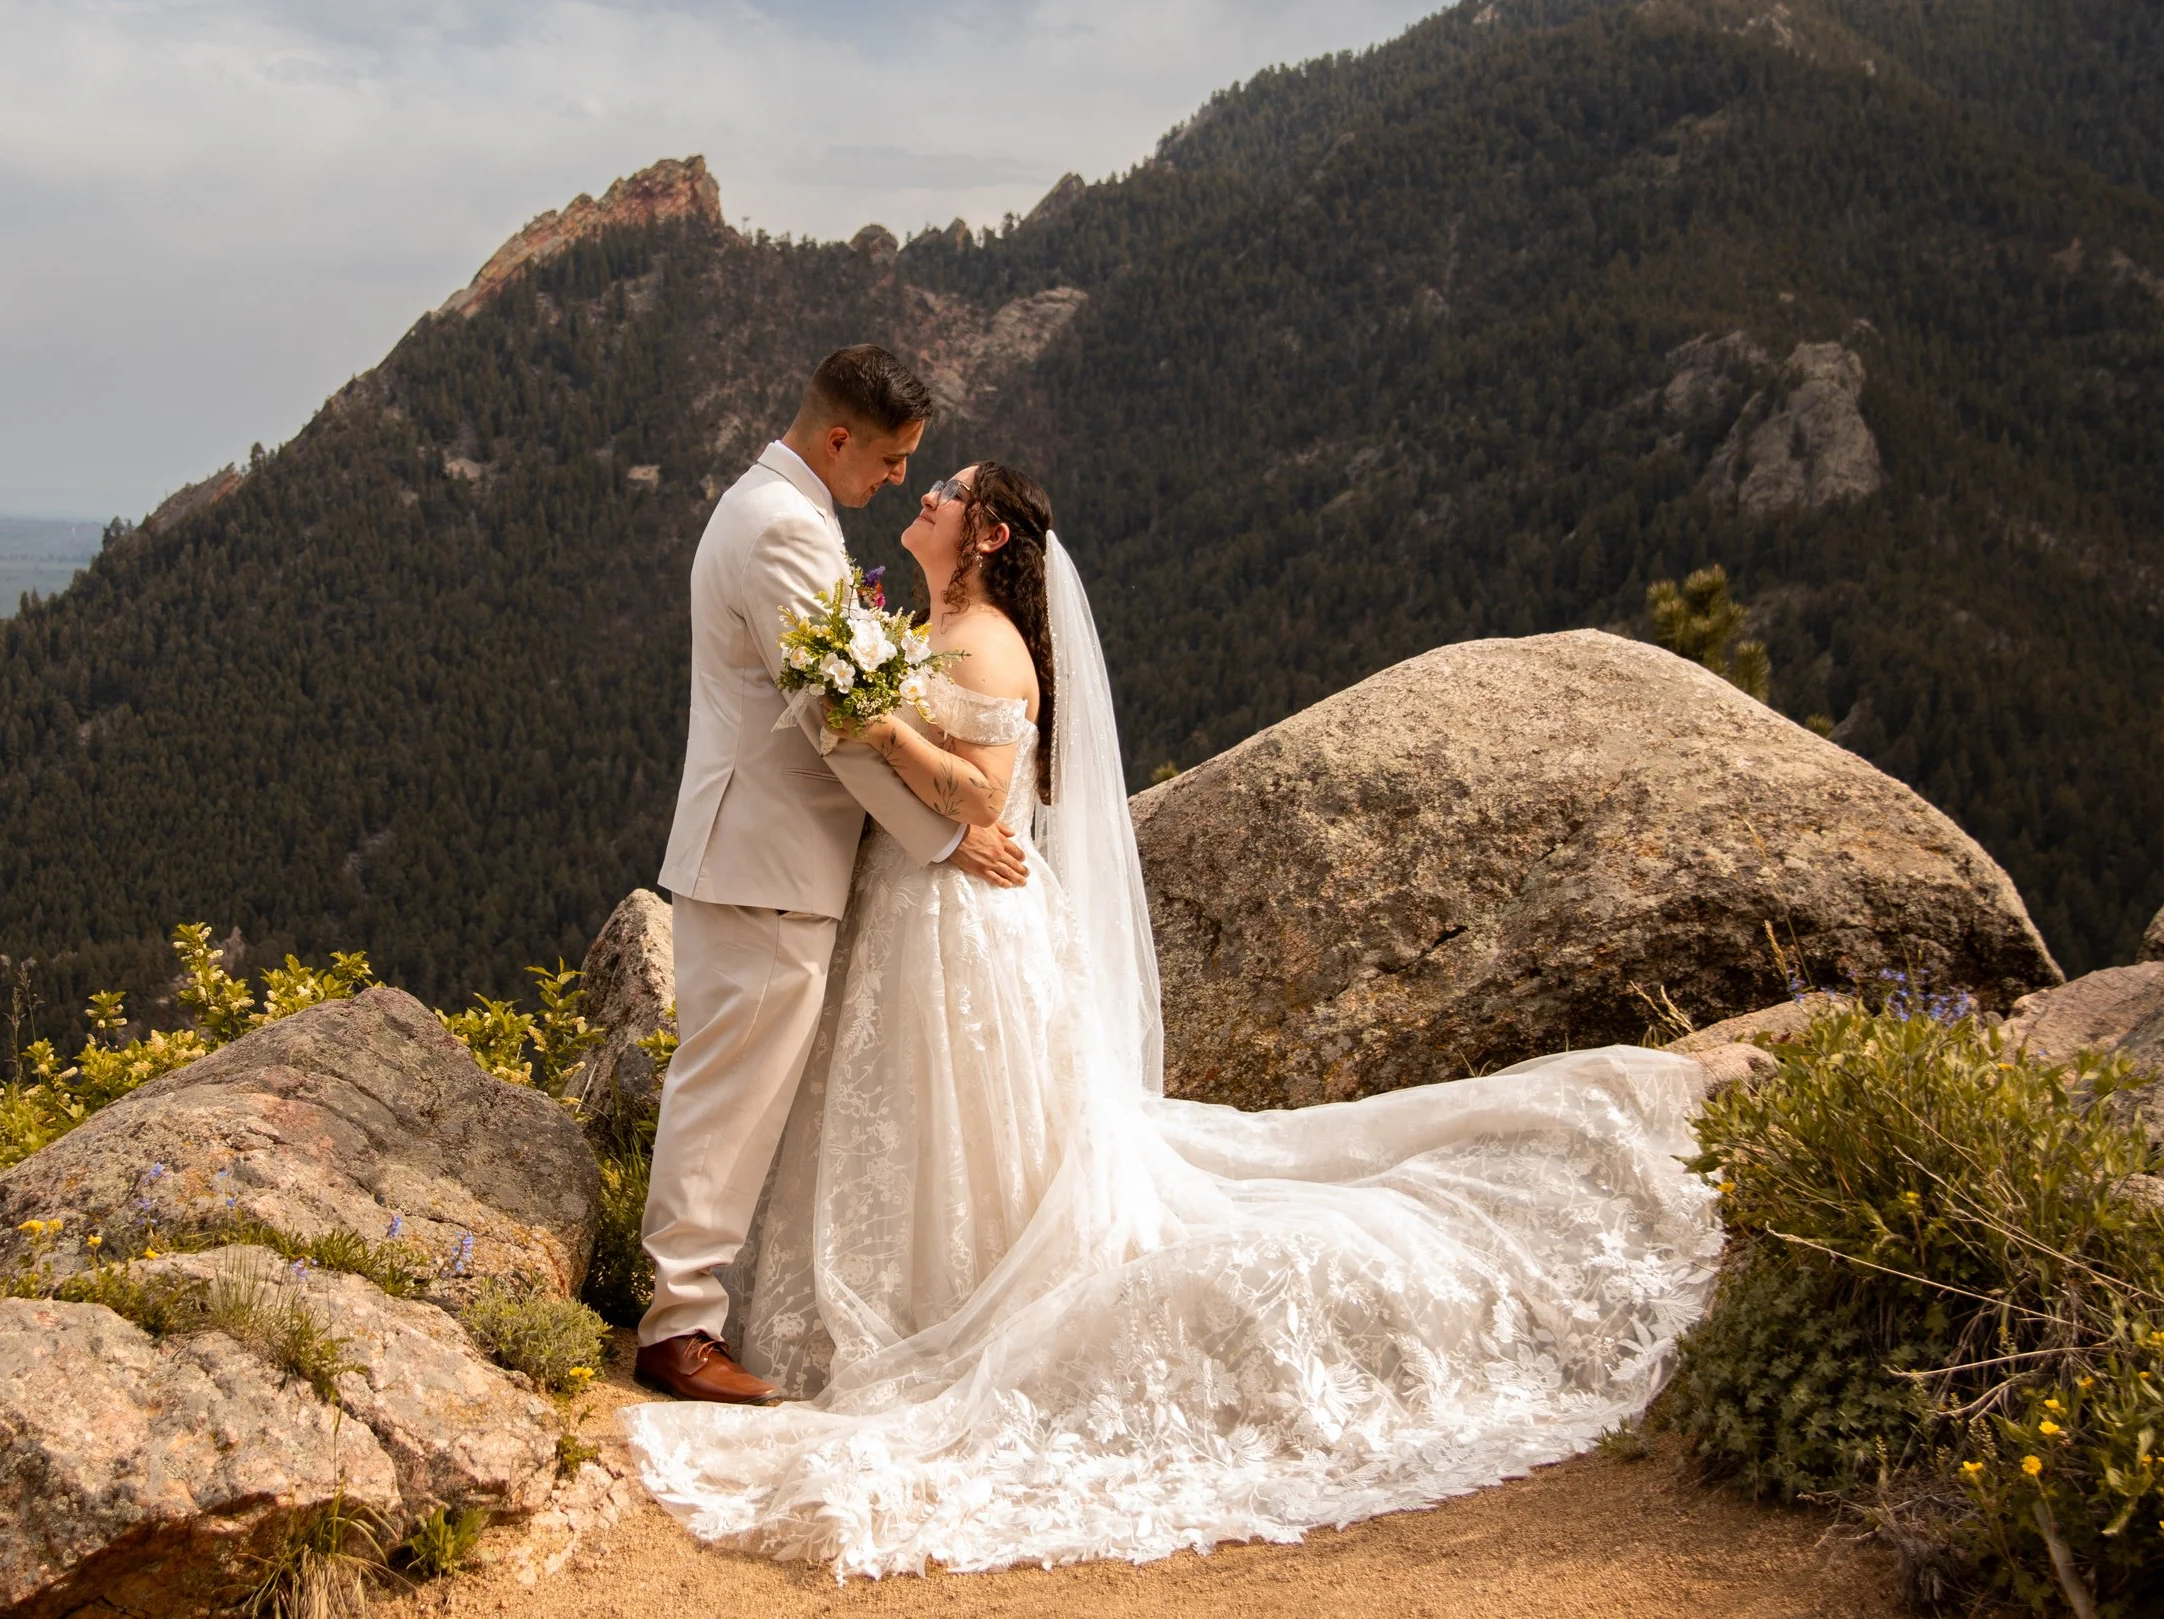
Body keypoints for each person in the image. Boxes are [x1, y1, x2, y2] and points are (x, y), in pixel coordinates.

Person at [622, 454, 1725, 1576]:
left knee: (947, 1106)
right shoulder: (933, 623)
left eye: (945, 493)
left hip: (958, 913)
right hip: (917, 899)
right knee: (906, 1107)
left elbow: (982, 793)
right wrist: (871, 699)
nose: (928, 501)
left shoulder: (982, 643)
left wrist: (867, 718)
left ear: (991, 535)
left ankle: (923, 1297)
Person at [637, 345, 1029, 1407]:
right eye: (897, 458)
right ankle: (677, 1325)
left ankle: (690, 1310)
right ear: (841, 438)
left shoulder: (774, 510)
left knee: (737, 1079)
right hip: (764, 852)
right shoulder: (782, 530)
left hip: (767, 853)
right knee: (728, 1087)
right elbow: (835, 722)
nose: (902, 479)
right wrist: (945, 838)